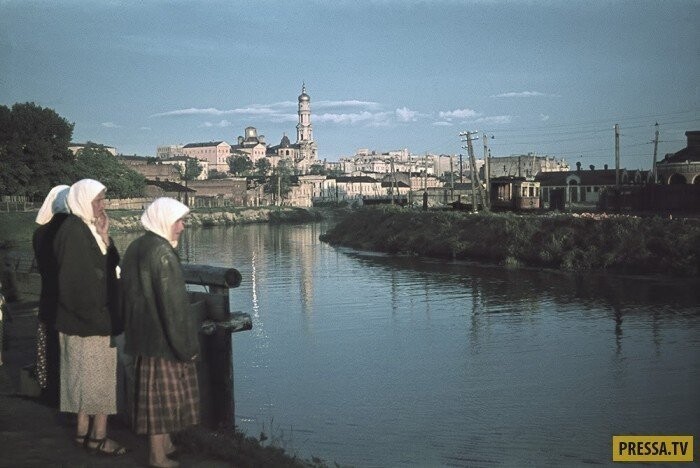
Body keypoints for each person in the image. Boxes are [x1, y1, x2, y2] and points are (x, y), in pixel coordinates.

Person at [121, 197, 199, 468]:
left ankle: (165, 444)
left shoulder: (136, 246)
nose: (182, 227)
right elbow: (173, 306)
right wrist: (186, 347)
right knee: (161, 399)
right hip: (161, 339)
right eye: (179, 221)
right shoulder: (163, 253)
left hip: (141, 334)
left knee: (153, 394)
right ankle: (157, 456)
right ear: (165, 220)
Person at [53, 179, 126, 456]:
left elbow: (109, 262)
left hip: (81, 320)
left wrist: (105, 237)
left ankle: (83, 433)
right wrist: (100, 313)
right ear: (83, 200)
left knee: (82, 379)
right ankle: (99, 437)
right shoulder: (74, 232)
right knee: (99, 382)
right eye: (98, 200)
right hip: (90, 321)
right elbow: (78, 280)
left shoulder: (83, 228)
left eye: (104, 199)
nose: (103, 205)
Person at [32, 184, 70, 407]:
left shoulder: (39, 234)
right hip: (65, 298)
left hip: (47, 295)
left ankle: (49, 387)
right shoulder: (70, 232)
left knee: (49, 346)